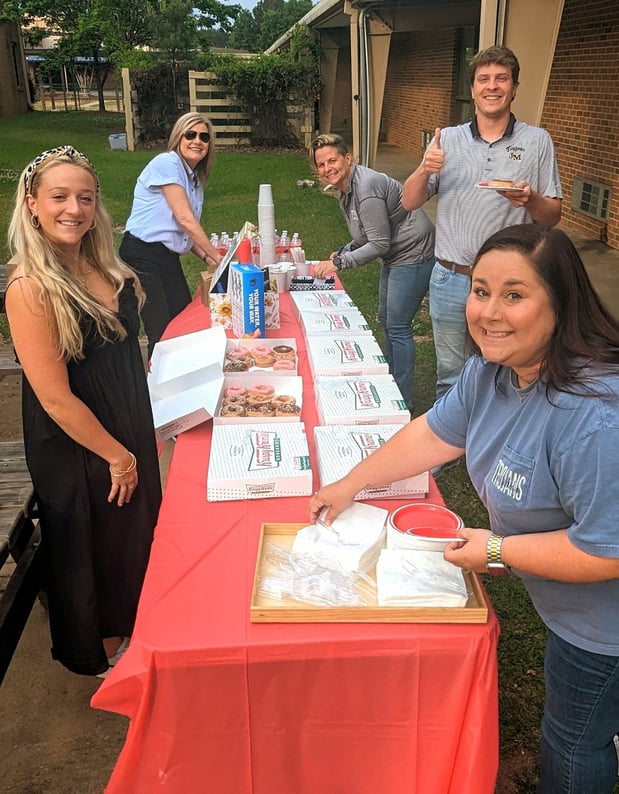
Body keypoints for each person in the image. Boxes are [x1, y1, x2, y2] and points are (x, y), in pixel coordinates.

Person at [309, 223, 619, 793]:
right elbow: (434, 433)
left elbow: (604, 553)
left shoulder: (596, 418)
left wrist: (496, 549)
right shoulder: (493, 369)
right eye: (481, 291)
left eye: (514, 295)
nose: (489, 313)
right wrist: (353, 482)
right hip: (571, 605)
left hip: (606, 623)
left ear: (561, 303)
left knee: (575, 739)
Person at [5, 145, 162, 677]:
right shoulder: (31, 287)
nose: (74, 209)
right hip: (78, 440)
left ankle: (135, 627)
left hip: (124, 421)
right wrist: (118, 456)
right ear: (32, 204)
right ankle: (102, 653)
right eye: (59, 197)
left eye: (86, 198)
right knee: (95, 540)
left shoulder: (102, 265)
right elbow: (54, 398)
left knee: (132, 531)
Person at [402, 45, 563, 403]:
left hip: (509, 283)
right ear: (473, 89)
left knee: (508, 367)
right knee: (450, 373)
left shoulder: (537, 141)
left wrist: (530, 200)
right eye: (483, 79)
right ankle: (453, 432)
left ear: (514, 88)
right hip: (450, 277)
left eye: (501, 78)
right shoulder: (447, 139)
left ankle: (499, 429)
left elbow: (553, 215)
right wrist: (424, 169)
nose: (492, 86)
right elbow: (409, 201)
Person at [311, 134, 435, 415]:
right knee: (387, 319)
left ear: (348, 159)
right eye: (321, 164)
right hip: (396, 255)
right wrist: (345, 250)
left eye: (332, 160)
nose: (327, 168)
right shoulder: (346, 188)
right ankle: (391, 382)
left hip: (414, 252)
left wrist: (341, 263)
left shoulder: (365, 188)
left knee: (398, 325)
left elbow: (379, 243)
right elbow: (367, 232)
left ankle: (403, 401)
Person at [119, 112, 223, 357]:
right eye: (190, 134)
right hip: (141, 253)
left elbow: (182, 230)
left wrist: (208, 258)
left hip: (166, 256)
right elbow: (185, 219)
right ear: (178, 138)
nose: (197, 141)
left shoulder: (194, 179)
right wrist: (220, 259)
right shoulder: (167, 163)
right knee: (161, 329)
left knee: (182, 320)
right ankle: (156, 381)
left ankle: (181, 373)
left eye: (204, 137)